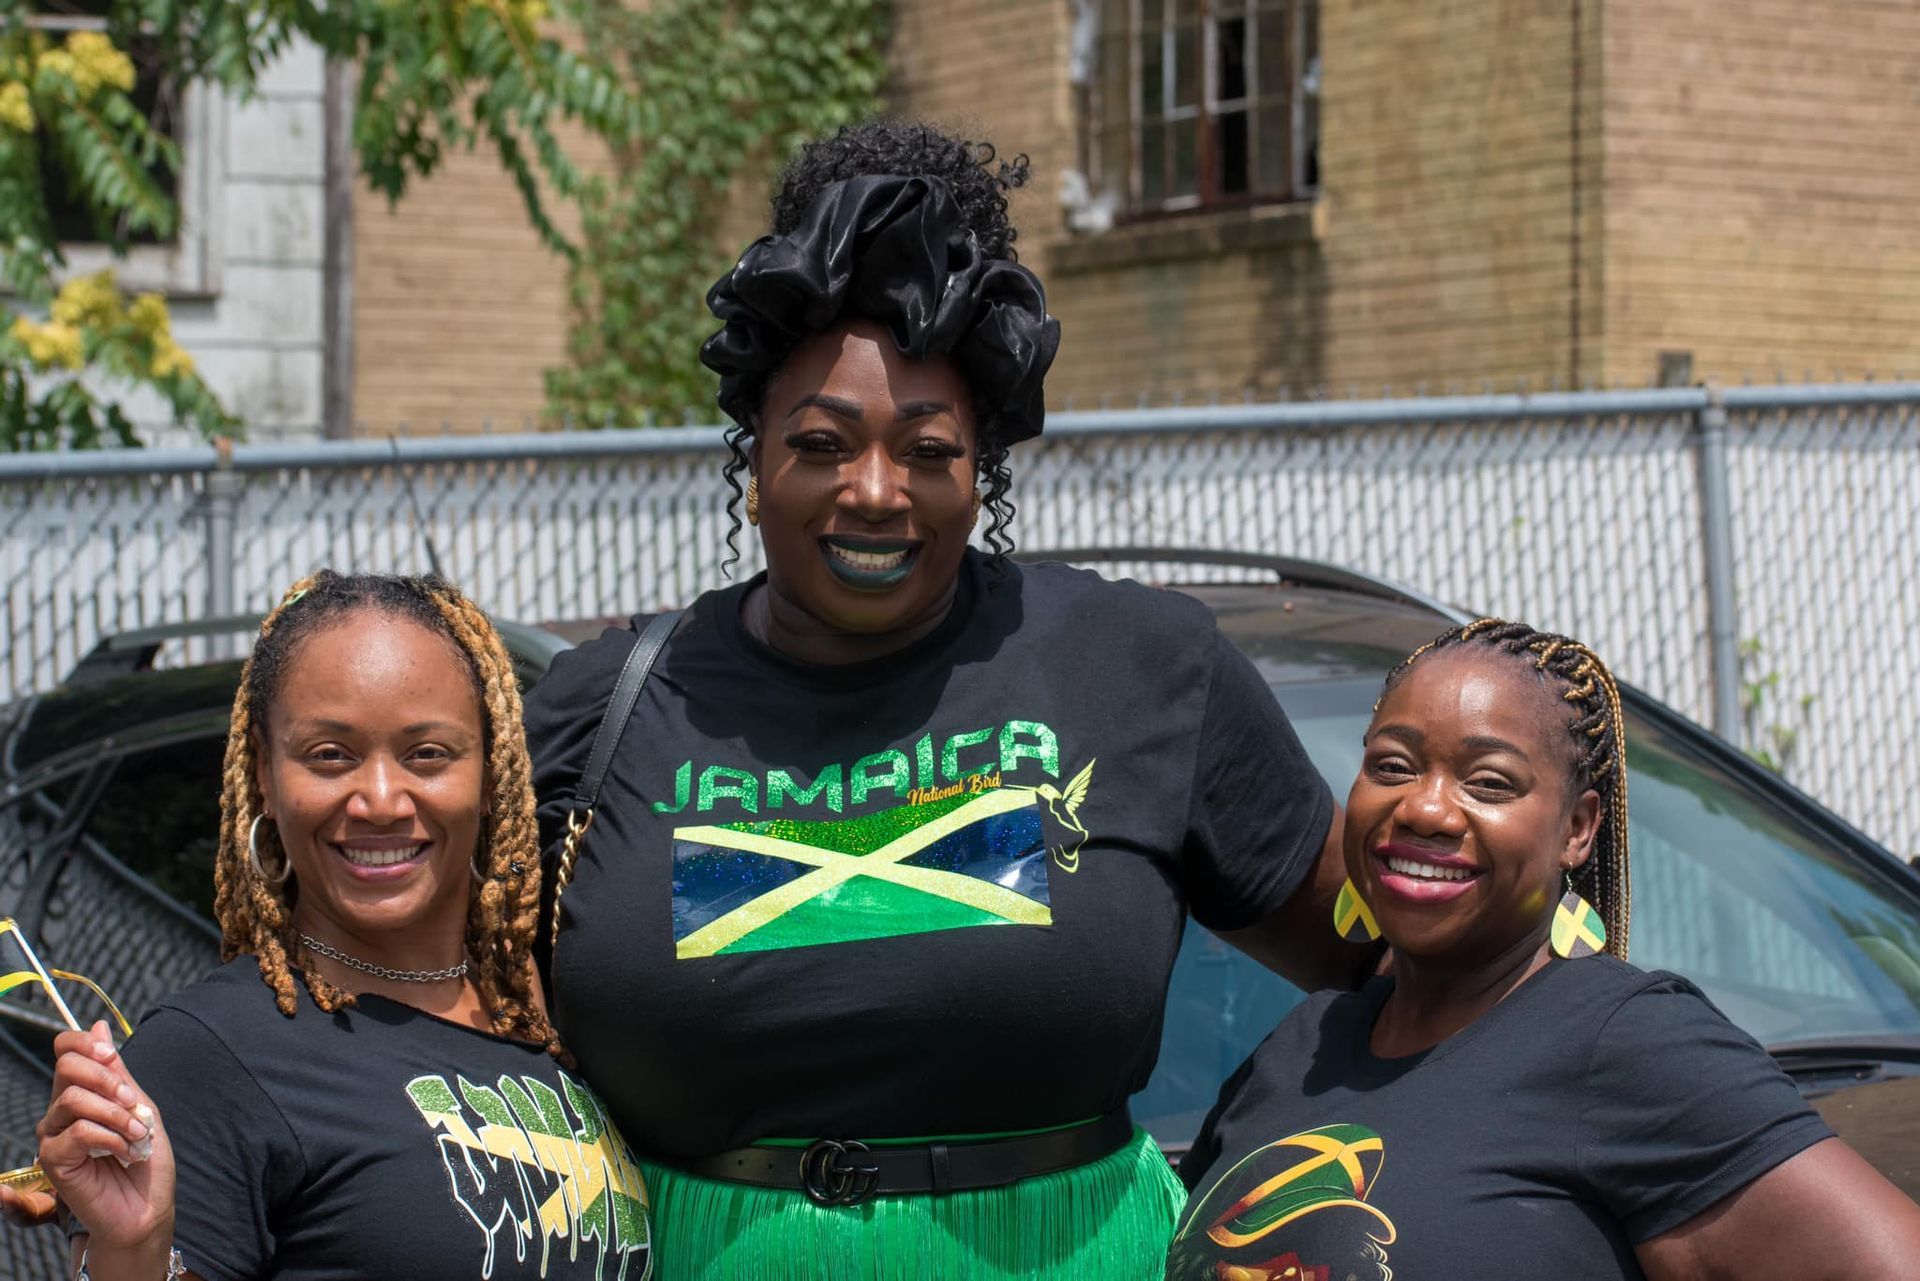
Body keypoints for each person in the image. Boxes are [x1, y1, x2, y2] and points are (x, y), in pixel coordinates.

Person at [524, 120, 1369, 1280]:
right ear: (755, 455)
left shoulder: (1135, 665)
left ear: (983, 469)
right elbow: (437, 1016)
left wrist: (1279, 1167)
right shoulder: (606, 708)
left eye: (929, 450)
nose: (876, 493)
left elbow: (1395, 960)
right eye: (821, 443)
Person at [1170, 618, 1920, 1280]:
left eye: (1488, 781)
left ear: (1577, 828)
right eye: (1392, 765)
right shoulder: (1299, 1048)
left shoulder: (1626, 1044)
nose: (1426, 807)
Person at [14, 572, 654, 1281]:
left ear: (492, 766)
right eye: (330, 755)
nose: (380, 799)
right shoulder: (205, 1057)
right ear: (264, 770)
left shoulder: (544, 1008)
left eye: (427, 753)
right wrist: (133, 1250)